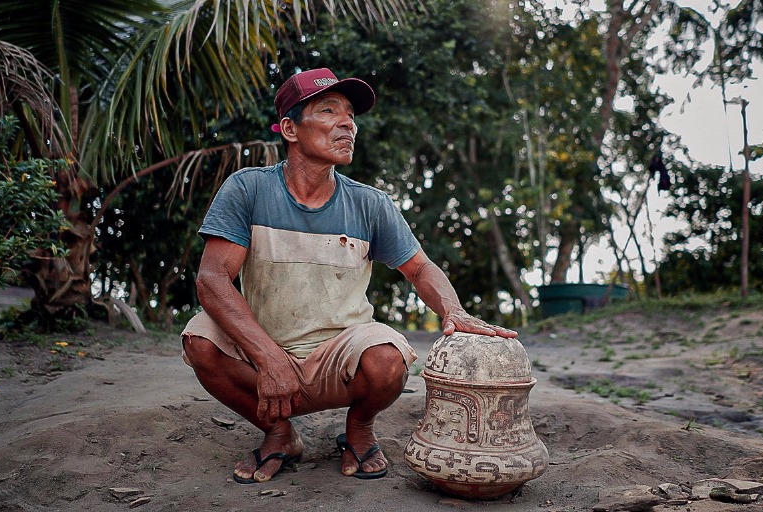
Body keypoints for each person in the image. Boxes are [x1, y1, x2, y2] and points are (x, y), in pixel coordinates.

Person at [180, 67, 517, 485]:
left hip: (339, 356)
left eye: (351, 116)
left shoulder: (369, 203)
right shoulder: (248, 189)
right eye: (329, 111)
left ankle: (359, 429)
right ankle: (279, 433)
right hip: (262, 354)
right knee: (200, 339)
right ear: (289, 128)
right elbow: (211, 280)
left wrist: (454, 309)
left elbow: (420, 267)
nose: (348, 124)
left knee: (389, 359)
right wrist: (268, 357)